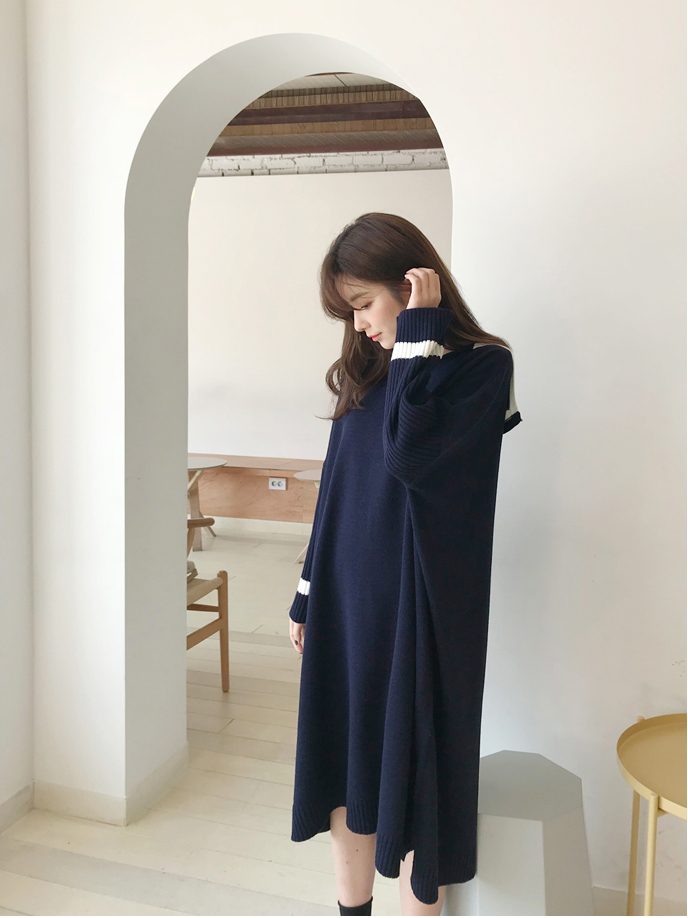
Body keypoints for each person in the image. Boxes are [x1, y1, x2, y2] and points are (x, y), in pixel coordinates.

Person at [287, 212, 522, 916]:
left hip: (425, 613)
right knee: (346, 769)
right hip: (347, 601)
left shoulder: (483, 368)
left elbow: (410, 458)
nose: (360, 325)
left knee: (420, 781)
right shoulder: (364, 376)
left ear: (413, 283)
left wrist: (419, 337)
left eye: (364, 304)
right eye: (349, 312)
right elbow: (336, 492)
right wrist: (306, 594)